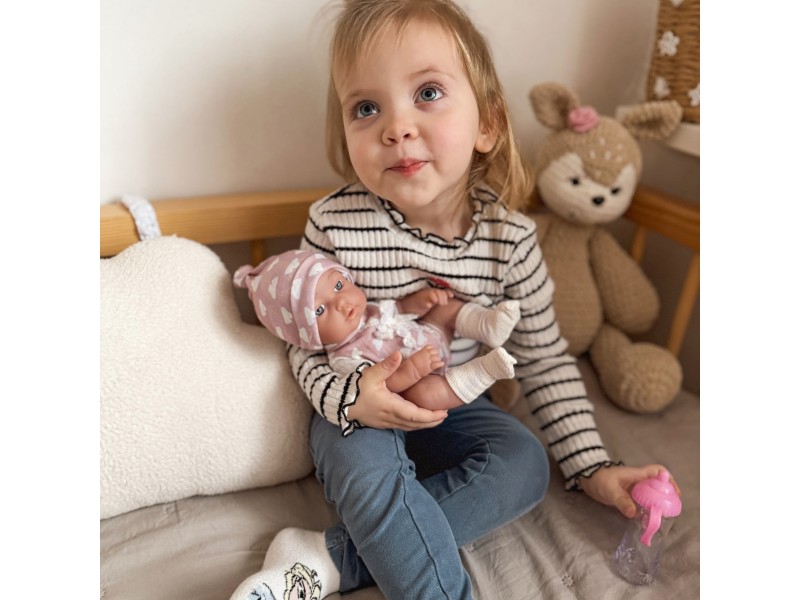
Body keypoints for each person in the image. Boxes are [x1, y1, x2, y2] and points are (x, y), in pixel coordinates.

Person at [229, 1, 678, 599]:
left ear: (486, 124)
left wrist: (592, 466)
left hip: (453, 408)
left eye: (428, 93)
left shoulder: (511, 240)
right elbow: (303, 345)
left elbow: (545, 361)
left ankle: (329, 560)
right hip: (362, 406)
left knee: (524, 463)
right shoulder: (335, 223)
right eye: (366, 108)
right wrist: (350, 399)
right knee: (361, 460)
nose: (396, 126)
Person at [233, 249, 521, 410]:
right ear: (308, 337)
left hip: (431, 335)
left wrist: (421, 301)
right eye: (319, 310)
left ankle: (488, 326)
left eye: (338, 285)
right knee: (425, 396)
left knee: (446, 309)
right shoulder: (344, 358)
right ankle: (484, 371)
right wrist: (413, 370)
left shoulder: (369, 310)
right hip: (422, 378)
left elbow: (399, 308)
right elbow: (383, 385)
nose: (341, 302)